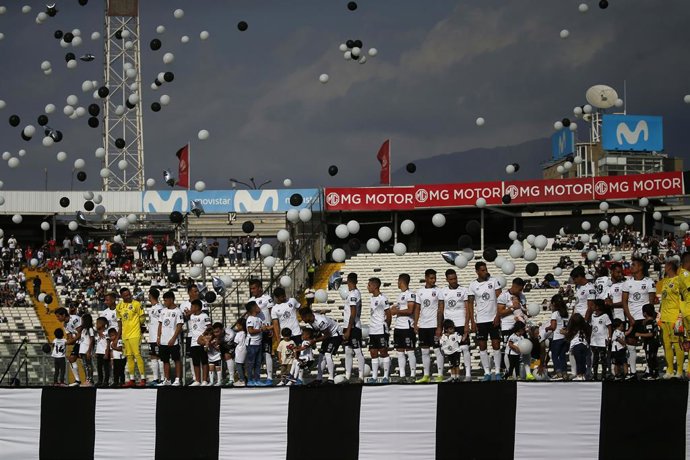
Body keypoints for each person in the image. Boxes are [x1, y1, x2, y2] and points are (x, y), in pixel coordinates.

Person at [468, 262, 503, 381]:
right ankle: (487, 372)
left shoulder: (494, 281)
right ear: (477, 271)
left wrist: (498, 316)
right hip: (481, 320)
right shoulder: (472, 285)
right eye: (482, 270)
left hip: (493, 318)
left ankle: (497, 372)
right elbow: (470, 304)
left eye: (485, 269)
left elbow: (500, 299)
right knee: (482, 346)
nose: (485, 272)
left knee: (496, 345)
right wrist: (472, 321)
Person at [622, 257, 655, 380]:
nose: (631, 267)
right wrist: (629, 317)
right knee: (631, 344)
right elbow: (624, 302)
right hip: (632, 318)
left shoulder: (649, 282)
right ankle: (633, 372)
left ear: (640, 267)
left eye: (634, 265)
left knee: (647, 345)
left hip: (644, 318)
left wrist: (649, 318)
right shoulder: (627, 282)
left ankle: (648, 370)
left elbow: (651, 303)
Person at [413, 269, 445, 383]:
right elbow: (417, 308)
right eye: (431, 278)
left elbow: (441, 309)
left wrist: (439, 326)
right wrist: (416, 323)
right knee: (424, 351)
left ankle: (440, 374)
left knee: (437, 350)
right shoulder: (420, 291)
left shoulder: (438, 291)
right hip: (423, 326)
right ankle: (426, 375)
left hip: (434, 325)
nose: (433, 280)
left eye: (434, 278)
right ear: (426, 278)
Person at [298, 306, 343, 384]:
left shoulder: (320, 321)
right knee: (321, 355)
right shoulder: (310, 320)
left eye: (303, 317)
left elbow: (327, 334)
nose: (302, 319)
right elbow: (319, 332)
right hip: (328, 335)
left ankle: (331, 379)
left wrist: (314, 340)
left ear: (308, 315)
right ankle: (319, 378)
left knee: (328, 354)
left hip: (335, 334)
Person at [440, 269, 471, 381]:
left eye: (455, 278)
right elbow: (441, 309)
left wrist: (467, 325)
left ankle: (468, 374)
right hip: (448, 325)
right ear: (447, 279)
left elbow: (467, 310)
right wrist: (440, 327)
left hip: (461, 323)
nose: (454, 281)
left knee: (464, 348)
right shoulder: (443, 291)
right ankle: (453, 375)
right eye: (451, 279)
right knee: (450, 350)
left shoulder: (463, 290)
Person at [657, 260, 684, 378]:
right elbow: (663, 300)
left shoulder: (679, 280)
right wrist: (659, 314)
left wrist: (680, 315)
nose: (664, 268)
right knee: (666, 345)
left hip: (675, 317)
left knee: (677, 345)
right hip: (664, 318)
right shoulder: (665, 281)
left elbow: (683, 299)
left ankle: (679, 371)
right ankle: (670, 370)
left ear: (669, 267)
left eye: (665, 266)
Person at [116, 287, 146, 387]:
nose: (128, 296)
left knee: (137, 355)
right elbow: (119, 321)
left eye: (129, 294)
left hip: (135, 334)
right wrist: (119, 335)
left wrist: (138, 325)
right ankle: (132, 379)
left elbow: (142, 318)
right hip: (125, 335)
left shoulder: (136, 304)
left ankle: (143, 378)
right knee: (129, 356)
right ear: (122, 296)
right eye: (126, 295)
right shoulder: (119, 306)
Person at [390, 273, 417, 382]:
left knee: (410, 350)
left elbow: (410, 310)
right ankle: (402, 375)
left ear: (401, 281)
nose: (397, 283)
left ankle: (413, 374)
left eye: (398, 281)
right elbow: (400, 308)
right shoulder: (400, 295)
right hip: (398, 326)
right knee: (400, 351)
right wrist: (394, 309)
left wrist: (397, 311)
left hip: (407, 326)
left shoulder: (410, 294)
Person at [248, 279, 275, 384]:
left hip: (266, 330)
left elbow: (272, 314)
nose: (252, 290)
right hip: (256, 332)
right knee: (256, 356)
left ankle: (270, 378)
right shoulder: (250, 300)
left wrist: (272, 327)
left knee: (267, 353)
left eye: (254, 288)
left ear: (260, 288)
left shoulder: (267, 298)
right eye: (251, 288)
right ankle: (255, 378)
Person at [497, 278, 526, 375]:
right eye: (519, 289)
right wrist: (513, 308)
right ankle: (508, 372)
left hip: (520, 326)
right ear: (514, 286)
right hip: (507, 326)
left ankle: (519, 373)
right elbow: (500, 312)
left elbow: (524, 310)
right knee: (508, 350)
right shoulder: (503, 296)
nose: (520, 291)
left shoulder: (522, 296)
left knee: (522, 349)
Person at [156, 290, 184, 386]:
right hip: (163, 340)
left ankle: (177, 379)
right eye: (164, 300)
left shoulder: (178, 311)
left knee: (176, 360)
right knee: (165, 360)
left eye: (166, 300)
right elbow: (160, 324)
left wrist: (173, 338)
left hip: (173, 341)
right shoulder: (163, 311)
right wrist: (158, 337)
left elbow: (179, 326)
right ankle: (167, 379)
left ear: (171, 300)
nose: (164, 302)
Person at [367, 277, 391, 384]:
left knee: (383, 352)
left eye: (369, 285)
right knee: (373, 353)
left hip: (381, 329)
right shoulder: (372, 298)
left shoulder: (383, 298)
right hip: (372, 330)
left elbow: (388, 313)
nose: (368, 287)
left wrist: (387, 326)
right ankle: (374, 377)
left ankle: (386, 376)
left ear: (375, 286)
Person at [342, 272, 365, 382]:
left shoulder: (353, 294)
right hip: (349, 325)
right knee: (348, 350)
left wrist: (349, 330)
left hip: (353, 327)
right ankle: (347, 375)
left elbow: (353, 312)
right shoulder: (355, 293)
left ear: (348, 281)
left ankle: (361, 376)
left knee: (357, 350)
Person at [54, 306, 82, 386]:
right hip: (78, 342)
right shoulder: (65, 325)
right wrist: (63, 343)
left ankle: (89, 379)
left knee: (85, 360)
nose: (57, 318)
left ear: (63, 315)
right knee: (71, 358)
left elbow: (80, 333)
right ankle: (77, 381)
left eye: (58, 316)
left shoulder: (74, 319)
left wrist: (67, 342)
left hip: (84, 341)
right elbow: (69, 338)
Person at [246, 301, 270, 386]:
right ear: (253, 308)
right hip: (252, 343)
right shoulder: (250, 319)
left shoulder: (259, 319)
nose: (259, 307)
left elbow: (264, 328)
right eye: (257, 306)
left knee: (258, 362)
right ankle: (250, 380)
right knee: (251, 362)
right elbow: (251, 331)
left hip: (258, 343)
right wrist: (261, 330)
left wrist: (271, 328)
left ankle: (257, 379)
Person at [544, 295, 569, 380]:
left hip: (557, 337)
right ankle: (565, 373)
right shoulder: (566, 313)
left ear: (554, 303)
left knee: (554, 355)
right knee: (562, 356)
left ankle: (558, 372)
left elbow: (553, 327)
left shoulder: (555, 313)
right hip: (565, 337)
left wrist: (547, 328)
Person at [189, 299, 211, 386]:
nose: (191, 308)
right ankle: (197, 380)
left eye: (192, 306)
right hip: (193, 341)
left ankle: (205, 380)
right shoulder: (192, 316)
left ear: (197, 307)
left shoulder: (204, 316)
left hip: (202, 341)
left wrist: (203, 336)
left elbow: (209, 328)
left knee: (204, 361)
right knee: (195, 361)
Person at [636, 304, 660, 380]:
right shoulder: (652, 321)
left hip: (651, 343)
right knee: (652, 357)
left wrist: (639, 334)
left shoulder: (649, 322)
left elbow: (650, 334)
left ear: (645, 313)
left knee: (650, 358)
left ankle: (652, 374)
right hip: (653, 342)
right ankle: (654, 373)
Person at [589, 299, 612, 380]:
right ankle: (594, 375)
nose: (592, 307)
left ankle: (604, 375)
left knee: (603, 359)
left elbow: (609, 327)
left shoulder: (605, 316)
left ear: (598, 307)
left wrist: (609, 337)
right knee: (595, 359)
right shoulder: (592, 315)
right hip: (594, 340)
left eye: (593, 305)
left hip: (602, 341)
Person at [146, 288, 164, 386]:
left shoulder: (159, 308)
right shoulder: (152, 308)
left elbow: (161, 323)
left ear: (151, 296)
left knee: (160, 357)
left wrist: (159, 336)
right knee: (153, 357)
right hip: (152, 337)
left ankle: (162, 378)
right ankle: (155, 378)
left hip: (158, 337)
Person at [566, 313, 590, 380]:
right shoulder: (585, 327)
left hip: (576, 345)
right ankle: (583, 375)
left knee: (578, 361)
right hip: (584, 345)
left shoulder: (573, 328)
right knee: (583, 360)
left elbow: (569, 336)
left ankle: (579, 375)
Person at [94, 317, 110, 387]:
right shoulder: (98, 334)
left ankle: (106, 381)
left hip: (104, 353)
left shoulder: (106, 332)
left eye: (97, 323)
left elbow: (108, 343)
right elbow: (98, 343)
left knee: (106, 368)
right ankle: (100, 381)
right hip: (99, 353)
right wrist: (96, 352)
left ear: (102, 324)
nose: (96, 325)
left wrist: (107, 353)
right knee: (99, 368)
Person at [232, 319, 248, 387]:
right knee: (242, 366)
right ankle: (244, 379)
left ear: (241, 326)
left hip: (239, 351)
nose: (237, 326)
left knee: (239, 365)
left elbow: (235, 343)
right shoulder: (246, 333)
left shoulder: (239, 334)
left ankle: (241, 380)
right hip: (245, 350)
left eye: (238, 325)